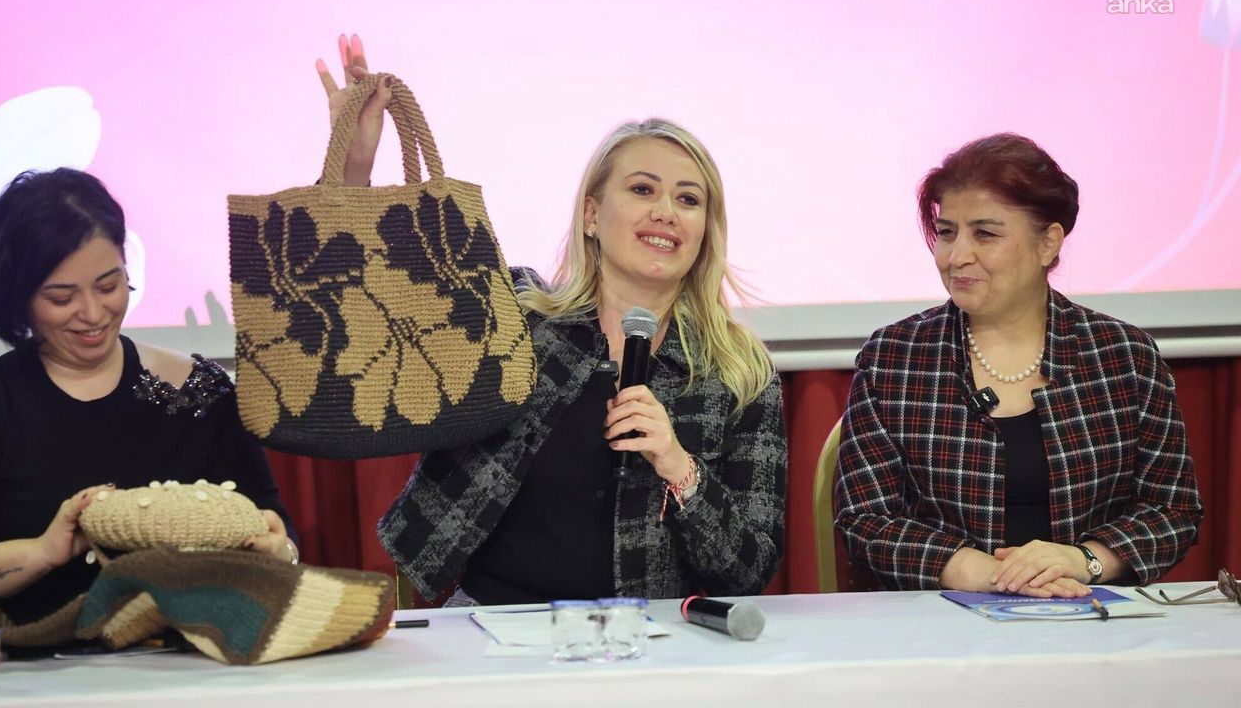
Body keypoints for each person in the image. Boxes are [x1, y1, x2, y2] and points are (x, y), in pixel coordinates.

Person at [315, 35, 786, 604]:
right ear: (591, 214)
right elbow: (369, 314)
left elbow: (749, 572)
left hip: (652, 639)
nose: (666, 211)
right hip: (493, 625)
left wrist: (677, 464)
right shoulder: (514, 314)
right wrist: (352, 169)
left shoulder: (739, 371)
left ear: (705, 230)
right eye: (642, 189)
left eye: (689, 200)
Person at [834, 133, 1203, 597]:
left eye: (985, 234)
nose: (957, 256)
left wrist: (1083, 559)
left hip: (1092, 613)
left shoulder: (1124, 357)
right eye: (946, 233)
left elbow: (1173, 510)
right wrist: (979, 571)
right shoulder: (895, 357)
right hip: (942, 618)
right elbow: (865, 519)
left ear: (1048, 243)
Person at [0, 168, 297, 625]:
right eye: (61, 298)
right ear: (19, 298)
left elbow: (272, 525)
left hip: (190, 655)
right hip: (32, 661)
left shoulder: (199, 391)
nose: (93, 313)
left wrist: (281, 549)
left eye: (108, 286)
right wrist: (42, 552)